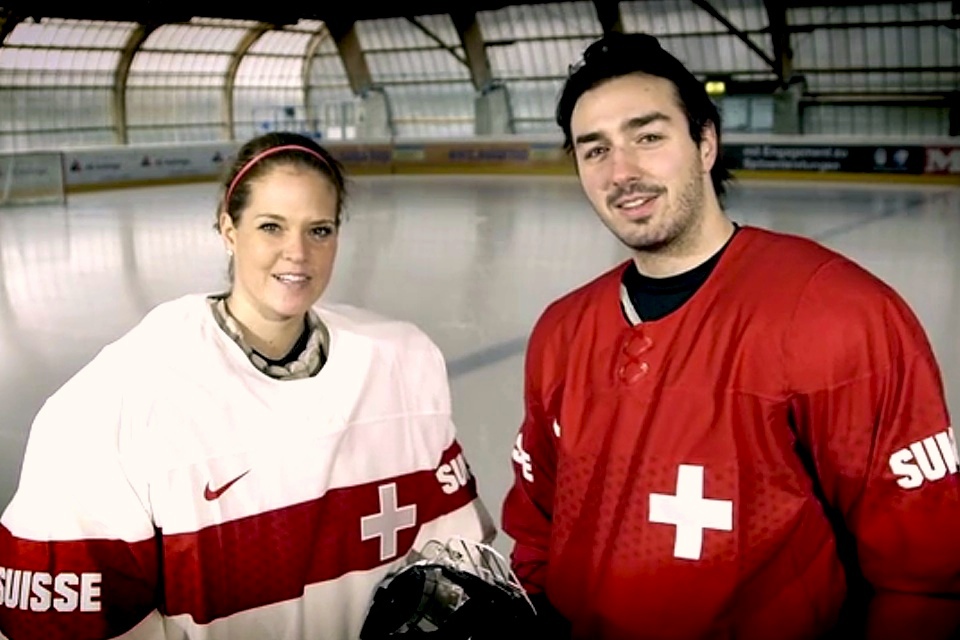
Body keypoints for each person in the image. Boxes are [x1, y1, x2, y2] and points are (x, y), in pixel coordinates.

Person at [500, 32, 960, 640]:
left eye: (648, 136)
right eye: (595, 150)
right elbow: (538, 527)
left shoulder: (839, 314)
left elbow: (923, 577)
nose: (622, 172)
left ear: (706, 142)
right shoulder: (561, 330)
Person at [0, 131, 495, 640]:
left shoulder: (404, 361)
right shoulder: (113, 403)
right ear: (228, 229)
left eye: (319, 230)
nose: (297, 253)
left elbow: (453, 562)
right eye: (270, 227)